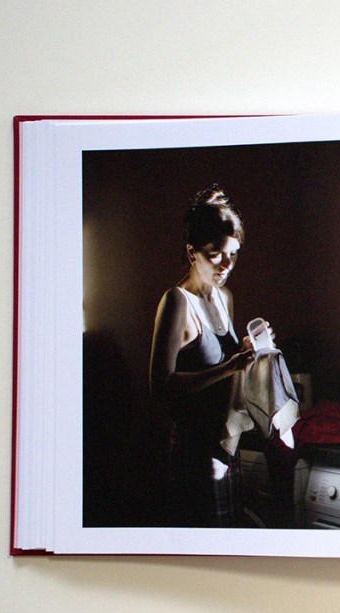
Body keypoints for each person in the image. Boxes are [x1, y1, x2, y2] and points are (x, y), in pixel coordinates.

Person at [149, 185, 270, 526]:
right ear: (192, 253)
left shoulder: (223, 296)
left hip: (227, 443)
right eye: (216, 254)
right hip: (195, 452)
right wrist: (229, 367)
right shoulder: (177, 302)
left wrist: (246, 348)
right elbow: (160, 386)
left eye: (233, 253)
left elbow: (224, 363)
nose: (227, 264)